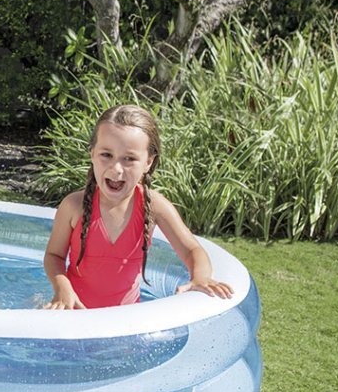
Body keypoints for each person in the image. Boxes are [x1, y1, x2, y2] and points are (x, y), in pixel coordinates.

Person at [43, 103, 233, 310]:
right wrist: (62, 288)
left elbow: (192, 250)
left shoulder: (154, 206)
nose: (116, 168)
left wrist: (200, 277)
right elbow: (54, 256)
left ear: (148, 162)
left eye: (129, 159)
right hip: (75, 313)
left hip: (127, 318)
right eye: (106, 155)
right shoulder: (73, 206)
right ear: (92, 154)